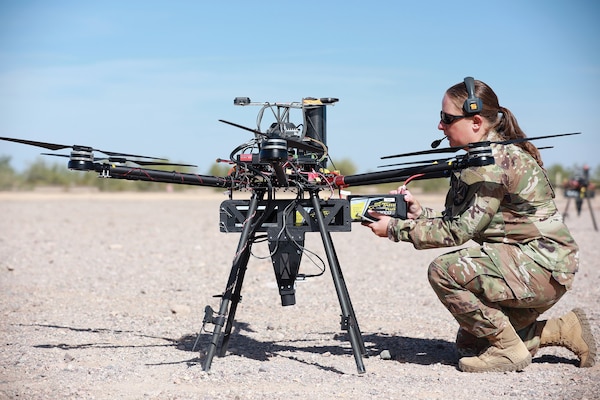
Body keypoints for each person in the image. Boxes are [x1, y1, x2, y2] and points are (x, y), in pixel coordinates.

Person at [363, 77, 597, 373]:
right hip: (534, 265)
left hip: (542, 267)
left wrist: (395, 230)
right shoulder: (483, 158)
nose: (440, 126)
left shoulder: (492, 164)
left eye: (447, 119)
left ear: (475, 122)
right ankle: (564, 329)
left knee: (443, 270)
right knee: (470, 343)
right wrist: (419, 214)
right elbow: (464, 221)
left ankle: (509, 350)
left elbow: (459, 232)